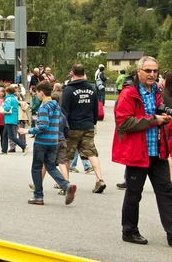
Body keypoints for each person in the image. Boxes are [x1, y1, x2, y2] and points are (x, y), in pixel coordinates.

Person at [113, 56, 172, 245]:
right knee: (133, 194)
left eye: (155, 71)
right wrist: (154, 119)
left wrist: (163, 116)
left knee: (166, 193)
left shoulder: (158, 90)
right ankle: (129, 231)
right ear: (139, 71)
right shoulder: (129, 93)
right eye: (148, 71)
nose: (152, 74)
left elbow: (158, 112)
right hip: (138, 152)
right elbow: (124, 122)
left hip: (158, 151)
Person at [19, 80, 76, 205]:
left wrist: (28, 131)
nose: (37, 95)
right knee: (50, 166)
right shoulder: (56, 105)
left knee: (36, 168)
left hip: (42, 142)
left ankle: (38, 196)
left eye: (38, 93)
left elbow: (43, 126)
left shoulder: (44, 106)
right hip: (53, 141)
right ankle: (66, 186)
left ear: (41, 93)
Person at [62, 64, 106, 194]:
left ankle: (66, 184)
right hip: (87, 126)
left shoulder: (68, 90)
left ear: (72, 73)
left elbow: (64, 111)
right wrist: (92, 123)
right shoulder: (92, 89)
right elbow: (95, 108)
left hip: (72, 127)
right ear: (84, 73)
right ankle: (99, 179)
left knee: (66, 156)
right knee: (91, 153)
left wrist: (63, 128)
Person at [1, 85, 28, 155]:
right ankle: (4, 149)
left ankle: (24, 145)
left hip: (9, 119)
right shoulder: (14, 99)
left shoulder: (8, 99)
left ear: (7, 92)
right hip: (13, 118)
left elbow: (7, 108)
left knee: (11, 136)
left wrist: (3, 105)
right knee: (4, 134)